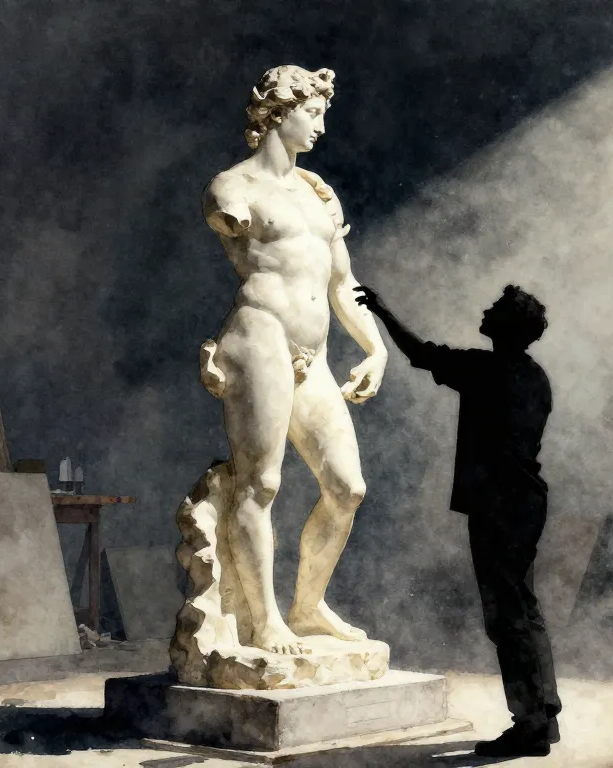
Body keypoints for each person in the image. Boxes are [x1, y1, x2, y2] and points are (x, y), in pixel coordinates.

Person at [197, 65, 388, 655]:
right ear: (278, 113)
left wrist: (376, 347)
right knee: (261, 483)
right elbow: (223, 215)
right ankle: (265, 620)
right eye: (313, 112)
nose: (321, 126)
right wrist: (227, 214)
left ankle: (307, 607)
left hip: (315, 354)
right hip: (261, 336)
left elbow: (343, 284)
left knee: (347, 488)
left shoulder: (317, 193)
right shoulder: (234, 187)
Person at [355, 284, 562, 758]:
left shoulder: (487, 369)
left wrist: (383, 310)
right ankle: (542, 715)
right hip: (526, 503)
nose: (485, 310)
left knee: (508, 619)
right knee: (524, 611)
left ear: (505, 325)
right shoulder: (536, 376)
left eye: (495, 309)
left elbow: (421, 354)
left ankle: (530, 725)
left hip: (498, 507)